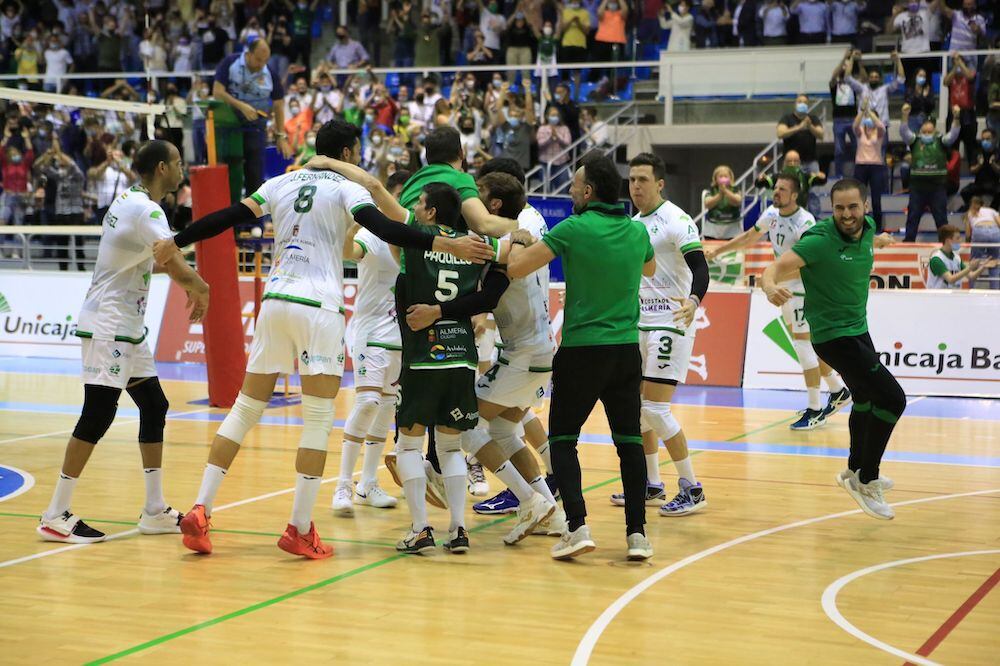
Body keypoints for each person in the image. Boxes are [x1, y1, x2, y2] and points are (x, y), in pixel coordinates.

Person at [158, 121, 495, 558]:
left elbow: (227, 217)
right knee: (318, 420)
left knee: (244, 409)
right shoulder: (345, 188)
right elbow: (391, 231)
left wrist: (177, 241)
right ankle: (299, 528)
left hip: (275, 300)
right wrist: (446, 244)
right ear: (350, 153)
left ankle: (201, 507)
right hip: (319, 309)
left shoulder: (281, 181)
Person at [35, 141, 210, 544]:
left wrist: (188, 281)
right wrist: (200, 286)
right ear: (163, 168)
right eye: (179, 164)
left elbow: (147, 261)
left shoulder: (127, 202)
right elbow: (169, 256)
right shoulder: (146, 209)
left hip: (127, 326)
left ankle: (153, 510)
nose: (183, 169)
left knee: (155, 405)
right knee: (98, 413)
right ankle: (55, 513)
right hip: (108, 325)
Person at [505, 152, 656, 562]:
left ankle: (578, 527)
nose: (570, 190)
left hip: (581, 352)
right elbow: (649, 268)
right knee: (629, 443)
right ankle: (637, 535)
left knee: (563, 440)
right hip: (625, 352)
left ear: (588, 192)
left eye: (573, 184)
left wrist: (519, 235)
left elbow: (517, 268)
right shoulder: (636, 232)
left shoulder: (572, 228)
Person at [402, 170, 565, 544]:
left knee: (466, 425)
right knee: (506, 428)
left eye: (478, 195)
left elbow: (488, 297)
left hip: (523, 352)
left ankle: (528, 501)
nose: (471, 203)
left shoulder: (506, 244)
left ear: (492, 205)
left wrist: (438, 312)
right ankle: (549, 512)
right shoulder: (525, 232)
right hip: (539, 348)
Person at [761, 178, 905, 520]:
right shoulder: (819, 241)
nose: (846, 214)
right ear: (832, 208)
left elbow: (871, 236)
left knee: (867, 399)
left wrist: (881, 240)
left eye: (853, 207)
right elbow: (776, 268)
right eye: (839, 208)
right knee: (893, 399)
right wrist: (768, 286)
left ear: (866, 207)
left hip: (858, 328)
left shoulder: (867, 227)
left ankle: (855, 470)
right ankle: (867, 480)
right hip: (832, 336)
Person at [602, 153, 710, 517]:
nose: (635, 186)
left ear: (659, 183)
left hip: (671, 320)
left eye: (643, 180)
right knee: (637, 407)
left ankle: (692, 487)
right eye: (631, 180)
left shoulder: (677, 219)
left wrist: (694, 300)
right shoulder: (632, 224)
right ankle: (651, 483)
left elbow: (700, 267)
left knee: (655, 408)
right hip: (639, 322)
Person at [708, 174, 854, 429]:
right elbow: (747, 238)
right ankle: (838, 390)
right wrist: (718, 250)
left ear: (794, 195)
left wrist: (774, 277)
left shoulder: (804, 221)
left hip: (801, 288)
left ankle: (815, 408)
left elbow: (810, 263)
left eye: (782, 189)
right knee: (807, 344)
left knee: (803, 345)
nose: (776, 192)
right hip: (783, 287)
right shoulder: (772, 214)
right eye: (775, 188)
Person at [213, 38, 292, 200]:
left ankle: (254, 222)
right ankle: (231, 217)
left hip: (256, 127)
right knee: (231, 171)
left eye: (266, 60)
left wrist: (281, 135)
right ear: (248, 54)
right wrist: (241, 106)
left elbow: (278, 105)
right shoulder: (230, 63)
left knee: (255, 174)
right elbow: (217, 92)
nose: (262, 64)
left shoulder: (269, 72)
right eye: (258, 59)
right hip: (229, 128)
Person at [900, 103, 961, 242]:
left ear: (935, 132)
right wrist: (904, 116)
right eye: (924, 132)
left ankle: (946, 243)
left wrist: (956, 117)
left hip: (937, 188)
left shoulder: (941, 141)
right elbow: (904, 131)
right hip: (917, 188)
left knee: (941, 219)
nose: (927, 134)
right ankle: (909, 242)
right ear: (920, 132)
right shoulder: (914, 141)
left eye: (930, 132)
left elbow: (953, 134)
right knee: (912, 217)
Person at [845, 50, 905, 146]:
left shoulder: (885, 89)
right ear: (868, 78)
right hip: (864, 128)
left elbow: (901, 79)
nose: (874, 78)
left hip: (881, 128)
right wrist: (852, 58)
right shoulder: (862, 88)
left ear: (880, 79)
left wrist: (898, 60)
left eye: (876, 77)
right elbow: (847, 78)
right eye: (871, 77)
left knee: (881, 157)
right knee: (863, 158)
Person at [852, 100, 887, 231]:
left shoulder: (878, 134)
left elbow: (881, 126)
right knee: (859, 197)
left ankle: (877, 228)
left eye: (871, 118)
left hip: (876, 166)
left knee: (876, 199)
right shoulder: (860, 131)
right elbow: (855, 125)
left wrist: (870, 113)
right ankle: (858, 225)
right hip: (861, 166)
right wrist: (862, 111)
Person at [926, 224, 992, 289]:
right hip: (937, 297)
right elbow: (950, 279)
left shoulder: (956, 257)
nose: (960, 241)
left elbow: (971, 276)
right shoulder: (936, 259)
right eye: (957, 238)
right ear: (948, 241)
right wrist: (970, 268)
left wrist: (983, 266)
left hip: (953, 296)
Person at [943, 53, 978, 167]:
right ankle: (953, 172)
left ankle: (973, 170)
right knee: (952, 146)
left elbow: (970, 76)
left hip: (968, 114)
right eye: (955, 61)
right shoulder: (951, 75)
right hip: (954, 114)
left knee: (970, 145)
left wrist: (961, 63)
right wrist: (954, 66)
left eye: (959, 61)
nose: (957, 63)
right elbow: (945, 82)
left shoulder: (969, 74)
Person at [776, 95, 824, 176]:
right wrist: (799, 127)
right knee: (790, 185)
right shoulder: (787, 118)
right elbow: (780, 133)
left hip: (811, 162)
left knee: (815, 186)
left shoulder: (813, 119)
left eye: (805, 102)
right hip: (791, 162)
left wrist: (810, 126)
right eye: (800, 102)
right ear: (795, 104)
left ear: (808, 105)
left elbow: (821, 135)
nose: (802, 104)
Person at [831, 52, 858, 179]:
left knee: (857, 147)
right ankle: (838, 175)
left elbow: (862, 78)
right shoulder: (834, 85)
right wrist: (844, 59)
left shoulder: (853, 84)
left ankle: (858, 174)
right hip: (839, 120)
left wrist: (852, 59)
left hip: (853, 119)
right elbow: (833, 76)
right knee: (839, 150)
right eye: (844, 67)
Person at [964, 197, 1000, 289]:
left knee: (974, 261)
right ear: (983, 205)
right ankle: (995, 290)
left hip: (979, 231)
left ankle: (971, 289)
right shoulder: (991, 210)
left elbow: (968, 233)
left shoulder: (969, 212)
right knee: (994, 261)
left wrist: (967, 243)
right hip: (994, 230)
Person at [959, 129, 998, 210]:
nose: (985, 141)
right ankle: (972, 208)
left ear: (994, 139)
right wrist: (979, 165)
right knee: (965, 192)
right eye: (983, 139)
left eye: (988, 139)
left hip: (994, 184)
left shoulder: (998, 152)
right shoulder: (977, 152)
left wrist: (993, 164)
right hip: (979, 184)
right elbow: (972, 170)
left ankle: (993, 210)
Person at [702, 165, 742, 240]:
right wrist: (720, 195)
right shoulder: (711, 190)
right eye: (720, 176)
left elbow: (738, 201)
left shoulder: (735, 189)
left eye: (726, 176)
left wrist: (726, 191)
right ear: (715, 179)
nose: (723, 178)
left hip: (732, 228)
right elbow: (707, 204)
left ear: (730, 178)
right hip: (713, 228)